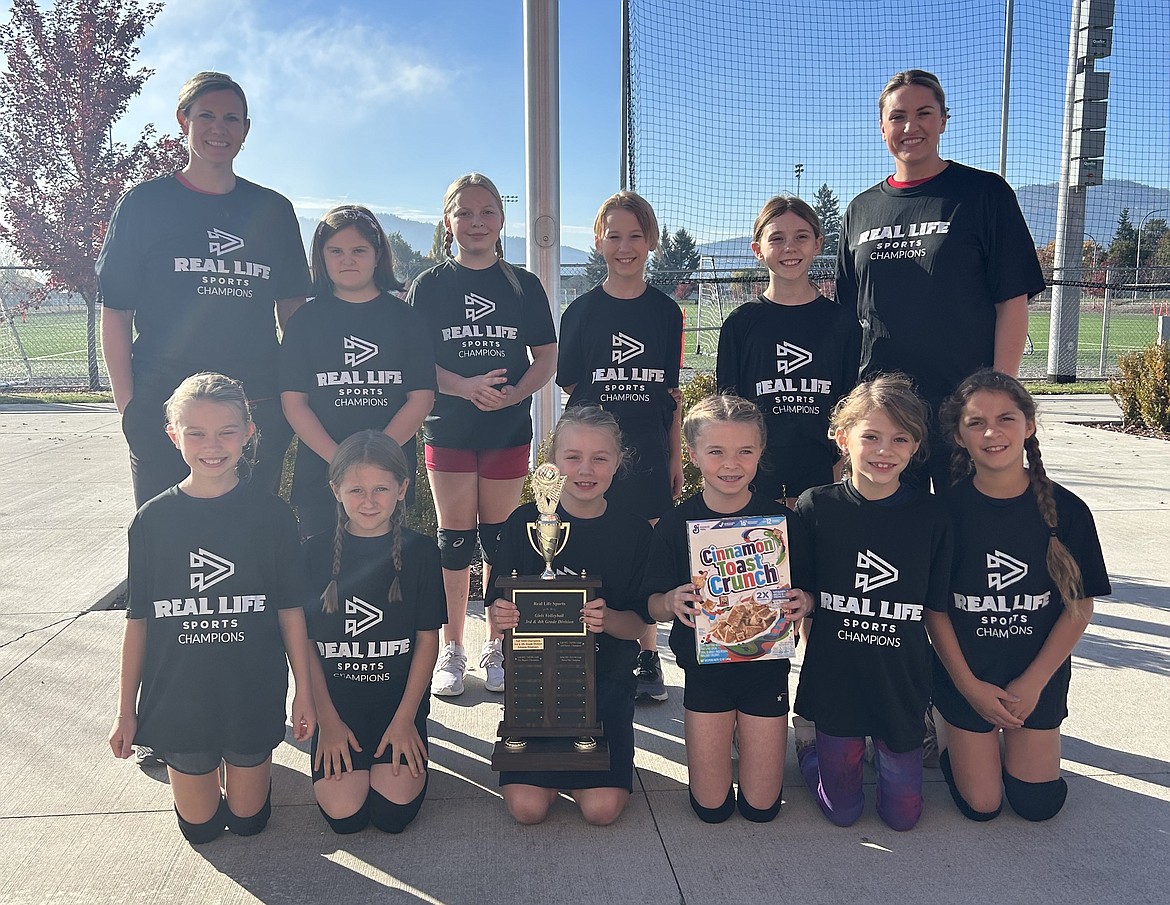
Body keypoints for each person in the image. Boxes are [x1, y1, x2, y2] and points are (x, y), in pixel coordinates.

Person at [108, 373, 316, 845]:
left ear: (249, 432)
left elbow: (290, 613)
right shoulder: (152, 521)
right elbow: (138, 621)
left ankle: (242, 764)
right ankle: (199, 764)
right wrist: (126, 712)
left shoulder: (273, 517)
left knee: (247, 823)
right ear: (173, 435)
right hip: (182, 695)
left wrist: (304, 691)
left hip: (251, 690)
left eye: (226, 431)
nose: (212, 445)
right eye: (196, 432)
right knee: (201, 830)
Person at [98, 71, 312, 509]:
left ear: (246, 130)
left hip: (255, 403)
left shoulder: (272, 210)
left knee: (249, 543)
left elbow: (293, 312)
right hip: (164, 405)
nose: (220, 128)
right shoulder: (144, 205)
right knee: (167, 544)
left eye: (232, 118)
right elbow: (116, 312)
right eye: (206, 116)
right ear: (184, 121)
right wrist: (131, 408)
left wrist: (292, 398)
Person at [834, 69, 1045, 493]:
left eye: (924, 113)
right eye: (898, 117)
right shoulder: (861, 210)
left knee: (967, 532)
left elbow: (1012, 303)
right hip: (888, 415)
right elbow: (848, 316)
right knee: (895, 540)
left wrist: (998, 396)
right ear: (882, 127)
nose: (910, 127)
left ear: (943, 120)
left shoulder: (984, 194)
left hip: (964, 407)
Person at [927, 370, 1109, 822]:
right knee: (983, 806)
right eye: (975, 423)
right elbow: (935, 612)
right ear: (958, 436)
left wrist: (1032, 684)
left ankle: (1011, 743)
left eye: (1006, 418)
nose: (992, 432)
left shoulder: (1066, 510)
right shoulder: (945, 514)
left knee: (1037, 805)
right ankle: (947, 724)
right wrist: (969, 689)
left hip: (1034, 677)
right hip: (967, 674)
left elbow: (1079, 604)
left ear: (1029, 425)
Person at [407, 173, 557, 698]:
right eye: (464, 213)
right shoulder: (429, 285)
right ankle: (454, 647)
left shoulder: (522, 284)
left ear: (501, 219)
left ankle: (498, 643)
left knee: (500, 539)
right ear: (448, 222)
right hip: (448, 428)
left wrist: (514, 395)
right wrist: (465, 386)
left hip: (507, 428)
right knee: (454, 539)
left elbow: (547, 358)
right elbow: (415, 361)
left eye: (486, 212)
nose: (476, 222)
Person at [792, 374, 952, 831]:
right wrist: (803, 600)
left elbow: (936, 608)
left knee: (901, 817)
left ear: (916, 445)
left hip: (899, 683)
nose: (885, 450)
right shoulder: (815, 506)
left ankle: (880, 754)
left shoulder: (931, 516)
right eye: (871, 437)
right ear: (843, 438)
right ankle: (810, 750)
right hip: (835, 678)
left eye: (900, 439)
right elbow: (802, 589)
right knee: (842, 811)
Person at [644, 394, 812, 824]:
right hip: (705, 672)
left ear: (760, 453)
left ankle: (754, 746)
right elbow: (651, 603)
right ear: (694, 455)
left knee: (761, 809)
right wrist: (671, 601)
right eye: (716, 451)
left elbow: (812, 591)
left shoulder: (784, 523)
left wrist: (804, 601)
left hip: (767, 670)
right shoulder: (675, 524)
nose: (730, 464)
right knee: (711, 808)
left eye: (745, 451)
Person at [487, 406, 655, 825]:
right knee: (527, 810)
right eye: (572, 457)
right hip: (534, 683)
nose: (586, 469)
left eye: (600, 458)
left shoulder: (635, 532)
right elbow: (496, 601)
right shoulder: (526, 521)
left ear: (618, 462)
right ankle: (554, 764)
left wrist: (607, 620)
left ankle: (602, 760)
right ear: (552, 461)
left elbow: (640, 624)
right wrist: (503, 614)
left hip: (606, 682)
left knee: (601, 811)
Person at [557, 190, 684, 702]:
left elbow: (670, 395)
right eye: (614, 236)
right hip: (595, 453)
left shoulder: (665, 312)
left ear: (651, 240)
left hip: (649, 449)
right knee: (592, 542)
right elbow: (573, 388)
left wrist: (674, 454)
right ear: (599, 241)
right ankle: (585, 645)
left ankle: (647, 654)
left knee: (645, 555)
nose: (625, 246)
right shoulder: (582, 313)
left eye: (635, 235)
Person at [304, 431, 444, 834]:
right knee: (344, 817)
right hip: (339, 708)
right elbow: (308, 645)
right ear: (336, 490)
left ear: (402, 489)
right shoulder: (311, 553)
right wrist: (326, 722)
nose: (368, 501)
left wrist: (406, 720)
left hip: (396, 705)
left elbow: (426, 642)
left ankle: (404, 741)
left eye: (381, 488)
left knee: (392, 815)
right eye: (356, 489)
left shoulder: (421, 553)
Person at [280, 205, 435, 539]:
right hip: (321, 473)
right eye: (335, 251)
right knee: (319, 579)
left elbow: (421, 398)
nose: (347, 260)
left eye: (359, 251)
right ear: (320, 258)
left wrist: (375, 464)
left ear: (378, 255)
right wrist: (342, 461)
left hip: (386, 478)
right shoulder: (304, 322)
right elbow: (294, 403)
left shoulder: (406, 319)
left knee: (385, 579)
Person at [717, 195, 860, 508]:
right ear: (758, 250)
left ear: (818, 244)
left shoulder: (842, 323)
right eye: (777, 238)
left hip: (823, 479)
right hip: (754, 480)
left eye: (801, 237)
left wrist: (837, 468)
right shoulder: (740, 324)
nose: (790, 247)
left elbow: (849, 407)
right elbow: (728, 411)